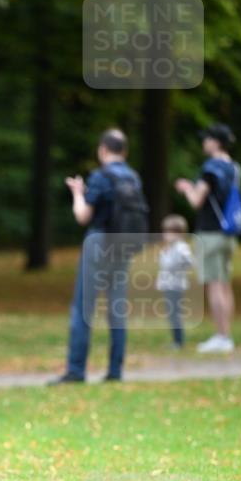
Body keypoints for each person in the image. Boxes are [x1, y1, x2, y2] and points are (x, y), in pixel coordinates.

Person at [50, 128, 144, 384]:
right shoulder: (133, 178)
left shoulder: (101, 176)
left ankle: (76, 370)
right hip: (123, 245)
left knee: (83, 308)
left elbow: (83, 216)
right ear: (124, 151)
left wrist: (78, 194)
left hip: (99, 243)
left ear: (103, 150)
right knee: (116, 308)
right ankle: (115, 370)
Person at [175, 123, 239, 354]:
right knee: (225, 284)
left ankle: (221, 337)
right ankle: (226, 334)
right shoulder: (233, 167)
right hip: (229, 233)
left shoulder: (211, 167)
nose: (204, 143)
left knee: (213, 285)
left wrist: (186, 188)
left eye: (207, 139)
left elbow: (196, 200)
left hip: (210, 232)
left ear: (215, 142)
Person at [157, 215, 193, 349]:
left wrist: (178, 262)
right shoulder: (168, 248)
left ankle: (179, 341)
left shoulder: (181, 247)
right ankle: (176, 340)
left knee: (175, 314)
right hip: (168, 285)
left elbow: (188, 261)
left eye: (169, 232)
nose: (165, 235)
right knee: (171, 314)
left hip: (175, 285)